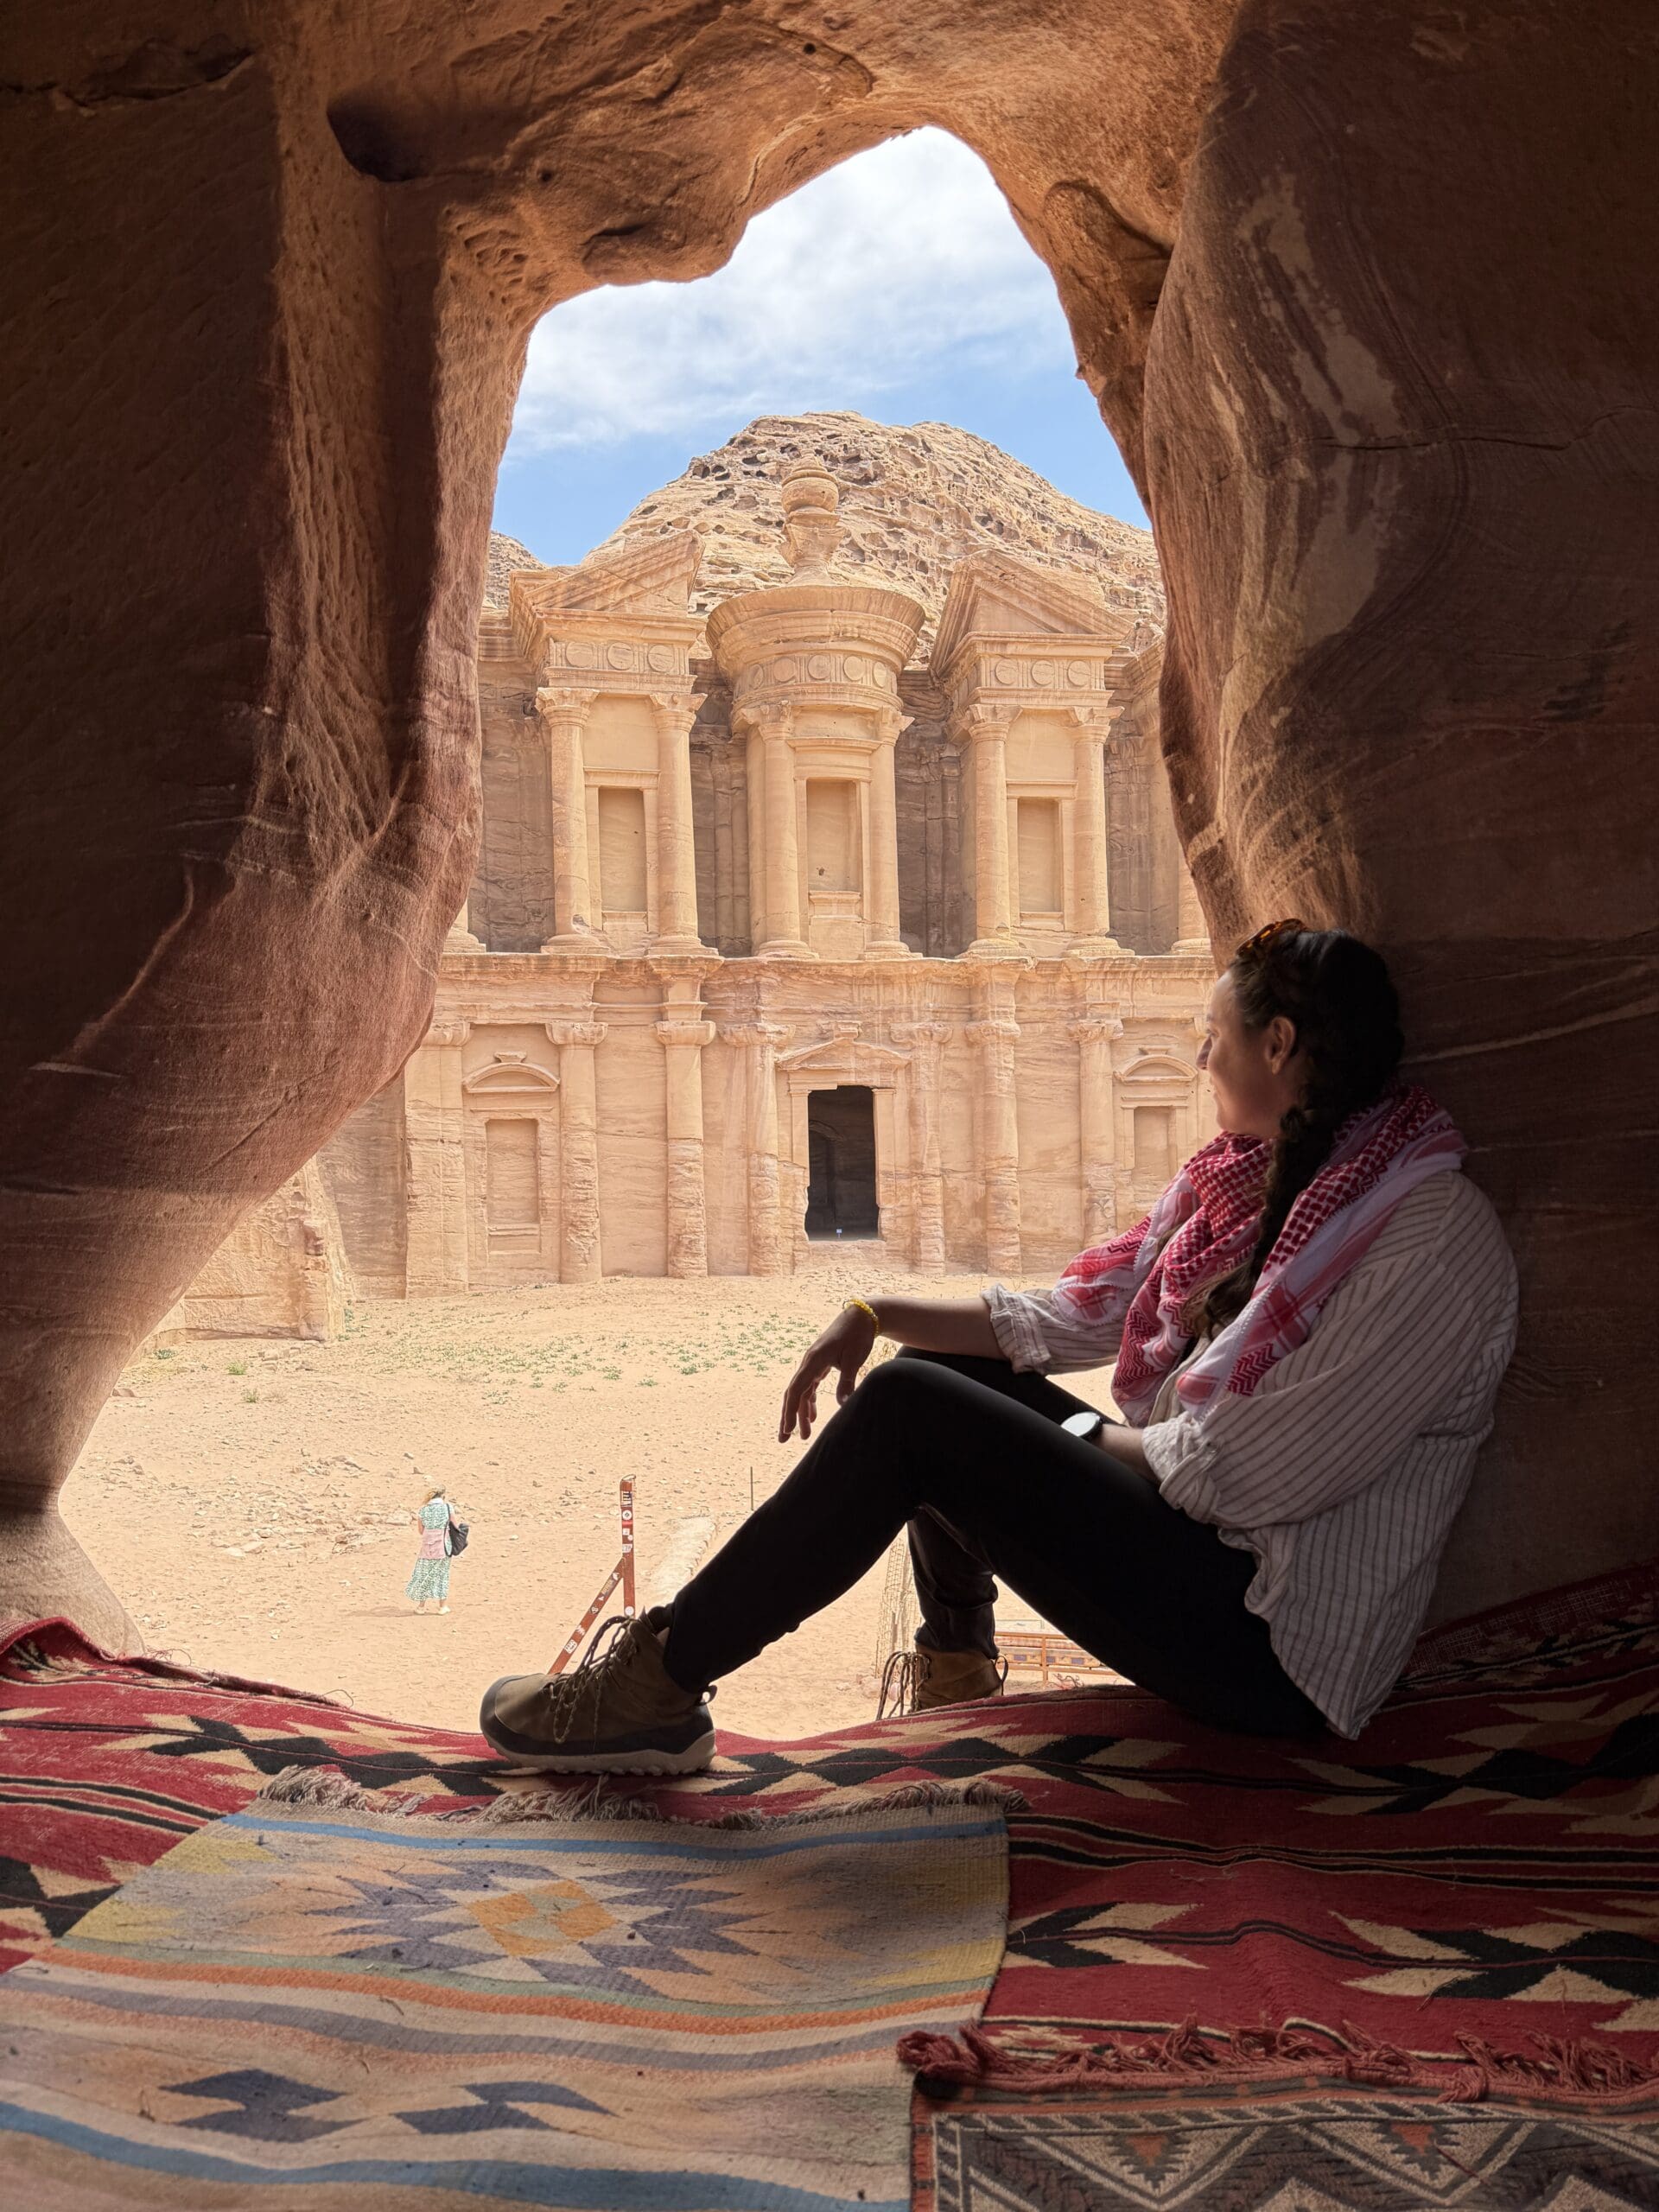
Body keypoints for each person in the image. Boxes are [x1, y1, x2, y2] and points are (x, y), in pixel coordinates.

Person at [479, 921, 1518, 1774]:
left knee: (919, 1414)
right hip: (1213, 1555)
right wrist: (877, 1312)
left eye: (1215, 1034)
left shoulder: (1428, 1236)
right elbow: (1070, 1316)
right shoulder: (1264, 1187)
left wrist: (1063, 1430)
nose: (1201, 1057)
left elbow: (1235, 1474)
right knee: (940, 1379)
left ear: (1280, 1045)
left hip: (1276, 1643)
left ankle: (656, 1685)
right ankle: (959, 1675)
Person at [406, 1484, 457, 1614]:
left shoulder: (423, 1510)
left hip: (427, 1547)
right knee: (442, 1575)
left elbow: (421, 1531)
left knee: (424, 1575)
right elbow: (455, 1526)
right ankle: (442, 1606)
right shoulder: (447, 1507)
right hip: (443, 1545)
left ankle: (421, 1607)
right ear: (443, 1496)